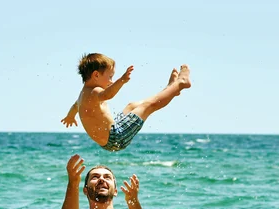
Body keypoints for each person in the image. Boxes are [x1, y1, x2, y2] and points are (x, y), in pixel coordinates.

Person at [61, 53, 191, 152]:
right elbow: (108, 94)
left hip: (110, 138)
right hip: (116, 137)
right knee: (148, 106)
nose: (111, 81)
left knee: (132, 106)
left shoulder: (83, 95)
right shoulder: (95, 91)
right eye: (110, 77)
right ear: (96, 75)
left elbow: (75, 106)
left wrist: (70, 116)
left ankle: (170, 90)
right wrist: (122, 80)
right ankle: (180, 83)